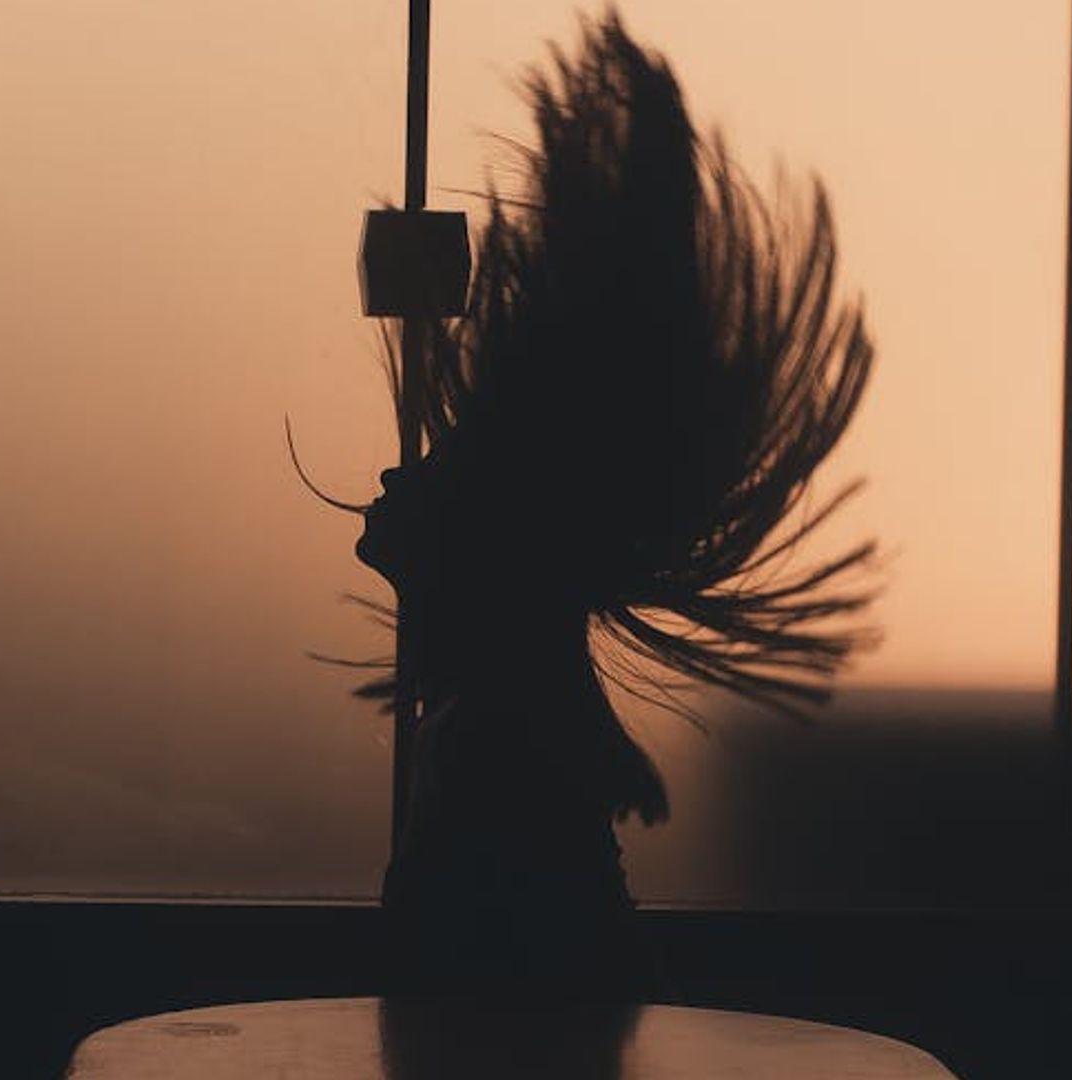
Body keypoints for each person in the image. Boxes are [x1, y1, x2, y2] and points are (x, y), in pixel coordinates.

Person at [318, 9, 878, 998]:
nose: (402, 477)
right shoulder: (510, 697)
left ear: (492, 540)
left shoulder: (501, 725)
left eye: (446, 464)